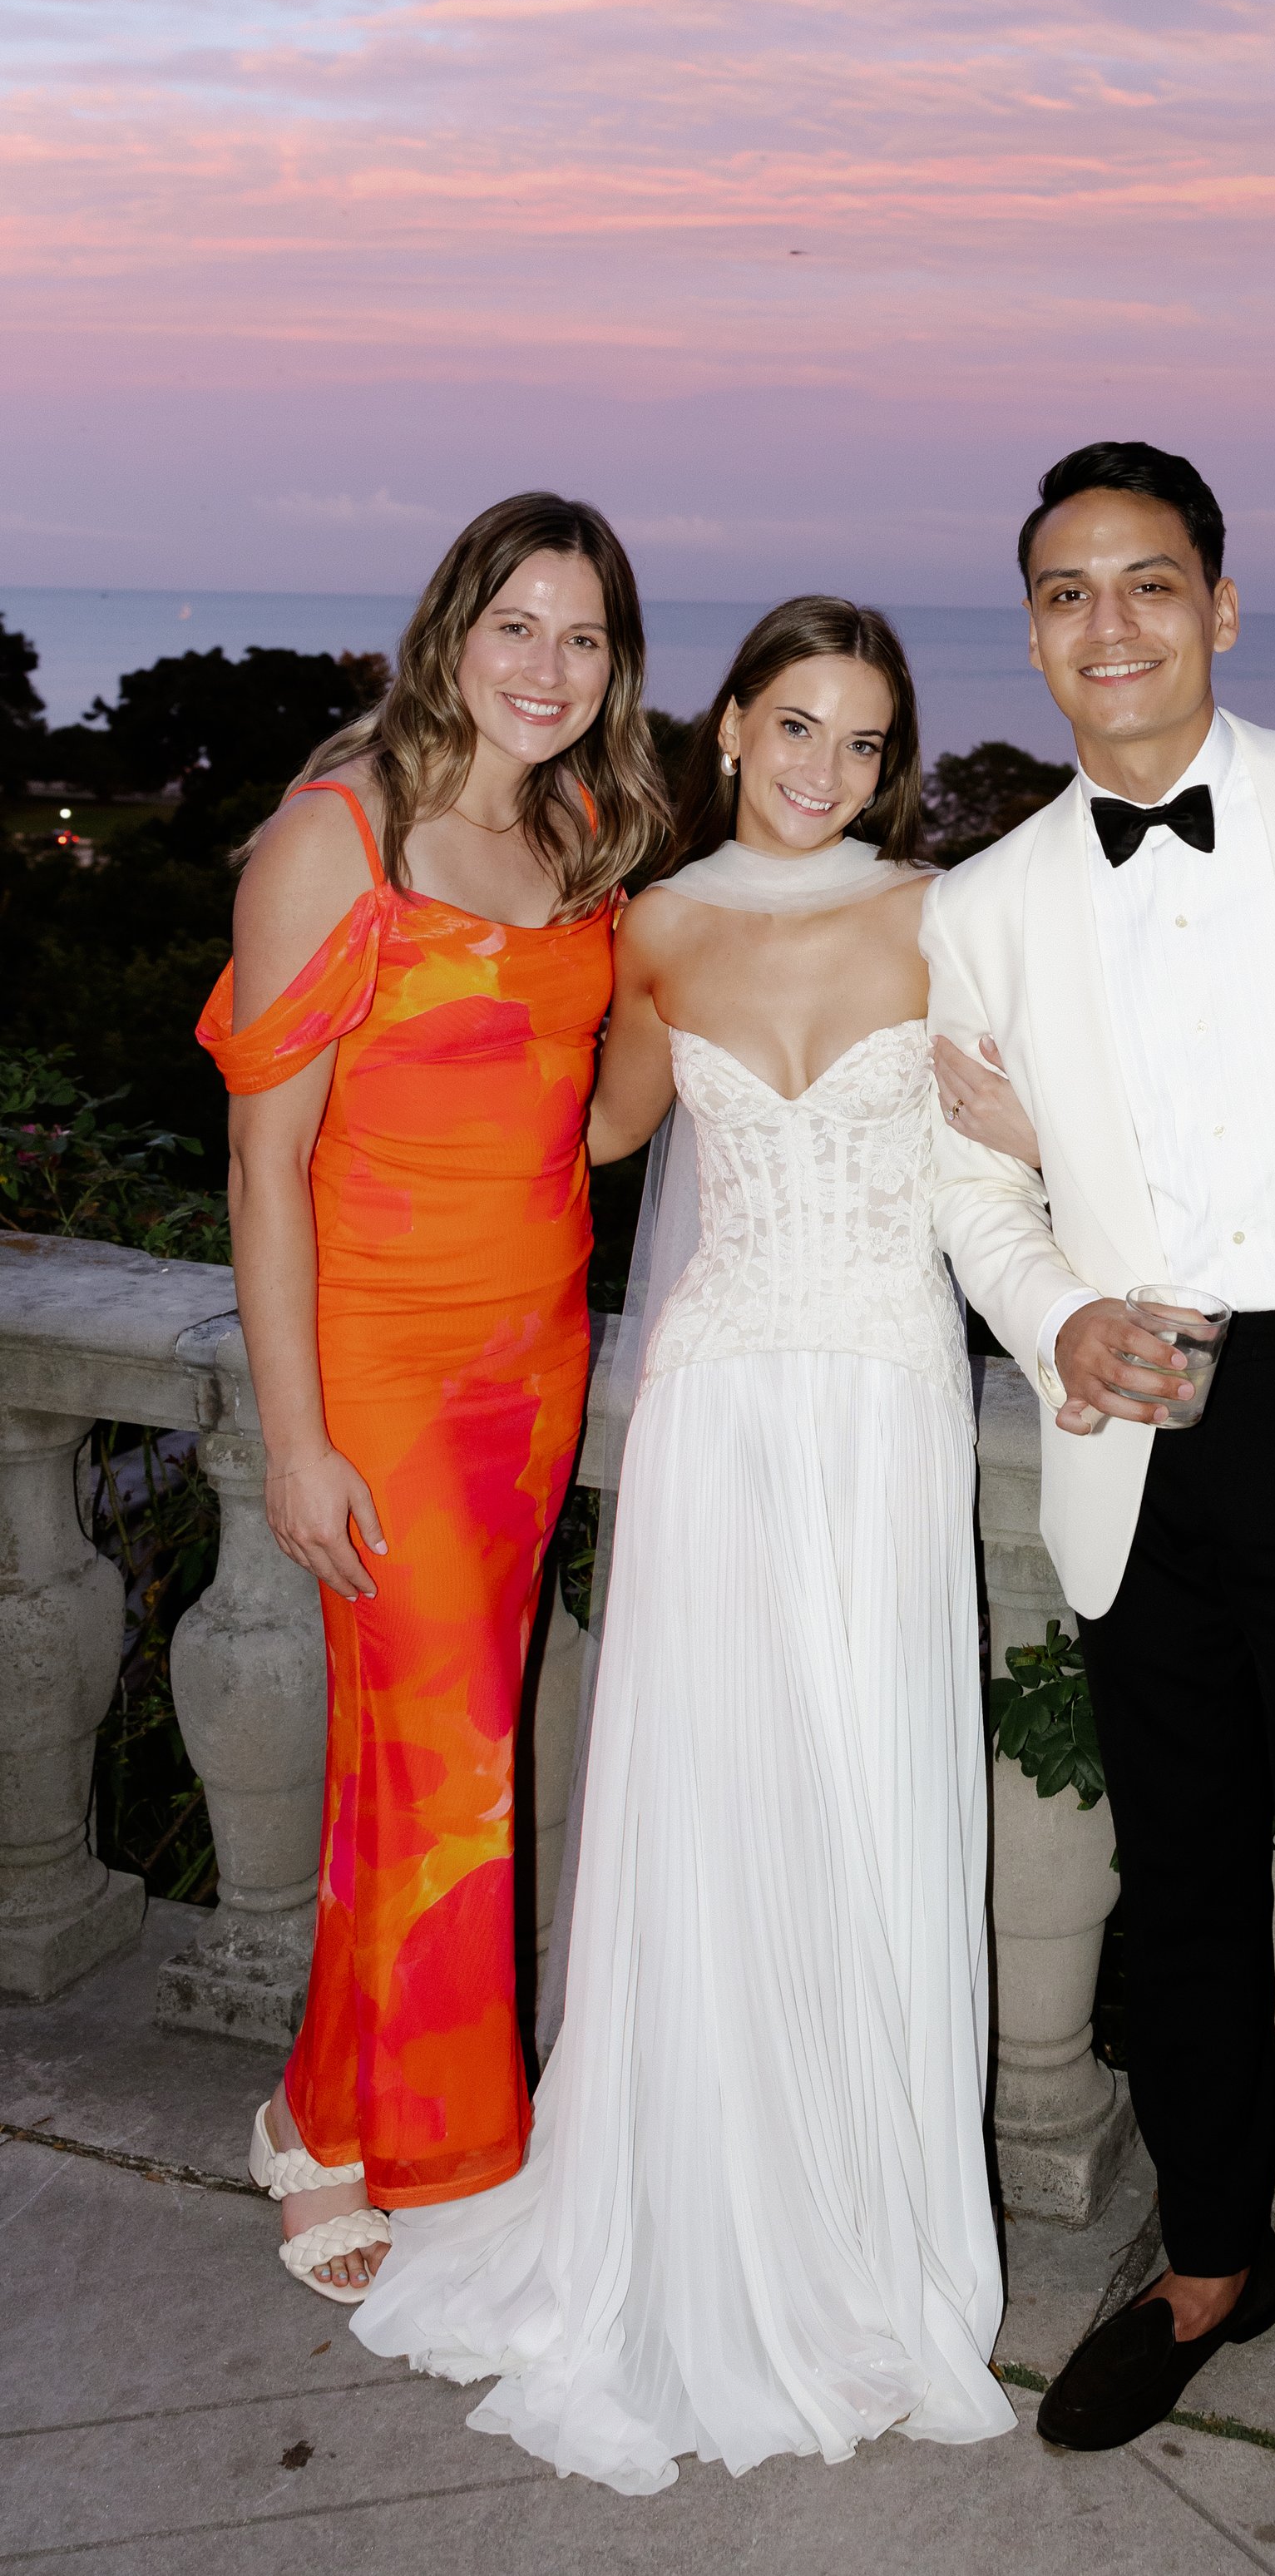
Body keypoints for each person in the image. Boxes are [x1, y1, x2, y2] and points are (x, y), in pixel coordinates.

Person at [355, 597, 1031, 2488]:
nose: (827, 769)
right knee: (717, 1794)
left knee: (867, 1792)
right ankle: (695, 2220)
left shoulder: (944, 918)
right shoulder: (648, 925)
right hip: (719, 1401)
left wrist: (1039, 1127)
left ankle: (860, 2238)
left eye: (864, 741)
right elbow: (580, 1142)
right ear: (728, 727)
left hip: (888, 1404)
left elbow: (1007, 1153)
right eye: (797, 725)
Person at [926, 443, 1275, 2576]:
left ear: (1221, 609)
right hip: (1128, 1426)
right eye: (1067, 591)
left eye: (1149, 582)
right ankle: (1211, 2257)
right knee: (1175, 1889)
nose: (1110, 624)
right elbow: (972, 1182)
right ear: (1032, 630)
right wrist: (1052, 1314)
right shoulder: (979, 906)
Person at [198, 493, 672, 2300]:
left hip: (532, 1356)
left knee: (451, 1757)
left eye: (584, 636)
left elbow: (594, 1123)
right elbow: (265, 1167)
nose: (548, 667)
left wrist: (735, 1003)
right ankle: (346, 2125)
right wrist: (296, 1438)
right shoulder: (340, 835)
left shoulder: (580, 833)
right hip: (383, 1365)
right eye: (517, 626)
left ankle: (375, 2113)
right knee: (428, 1756)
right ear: (450, 631)